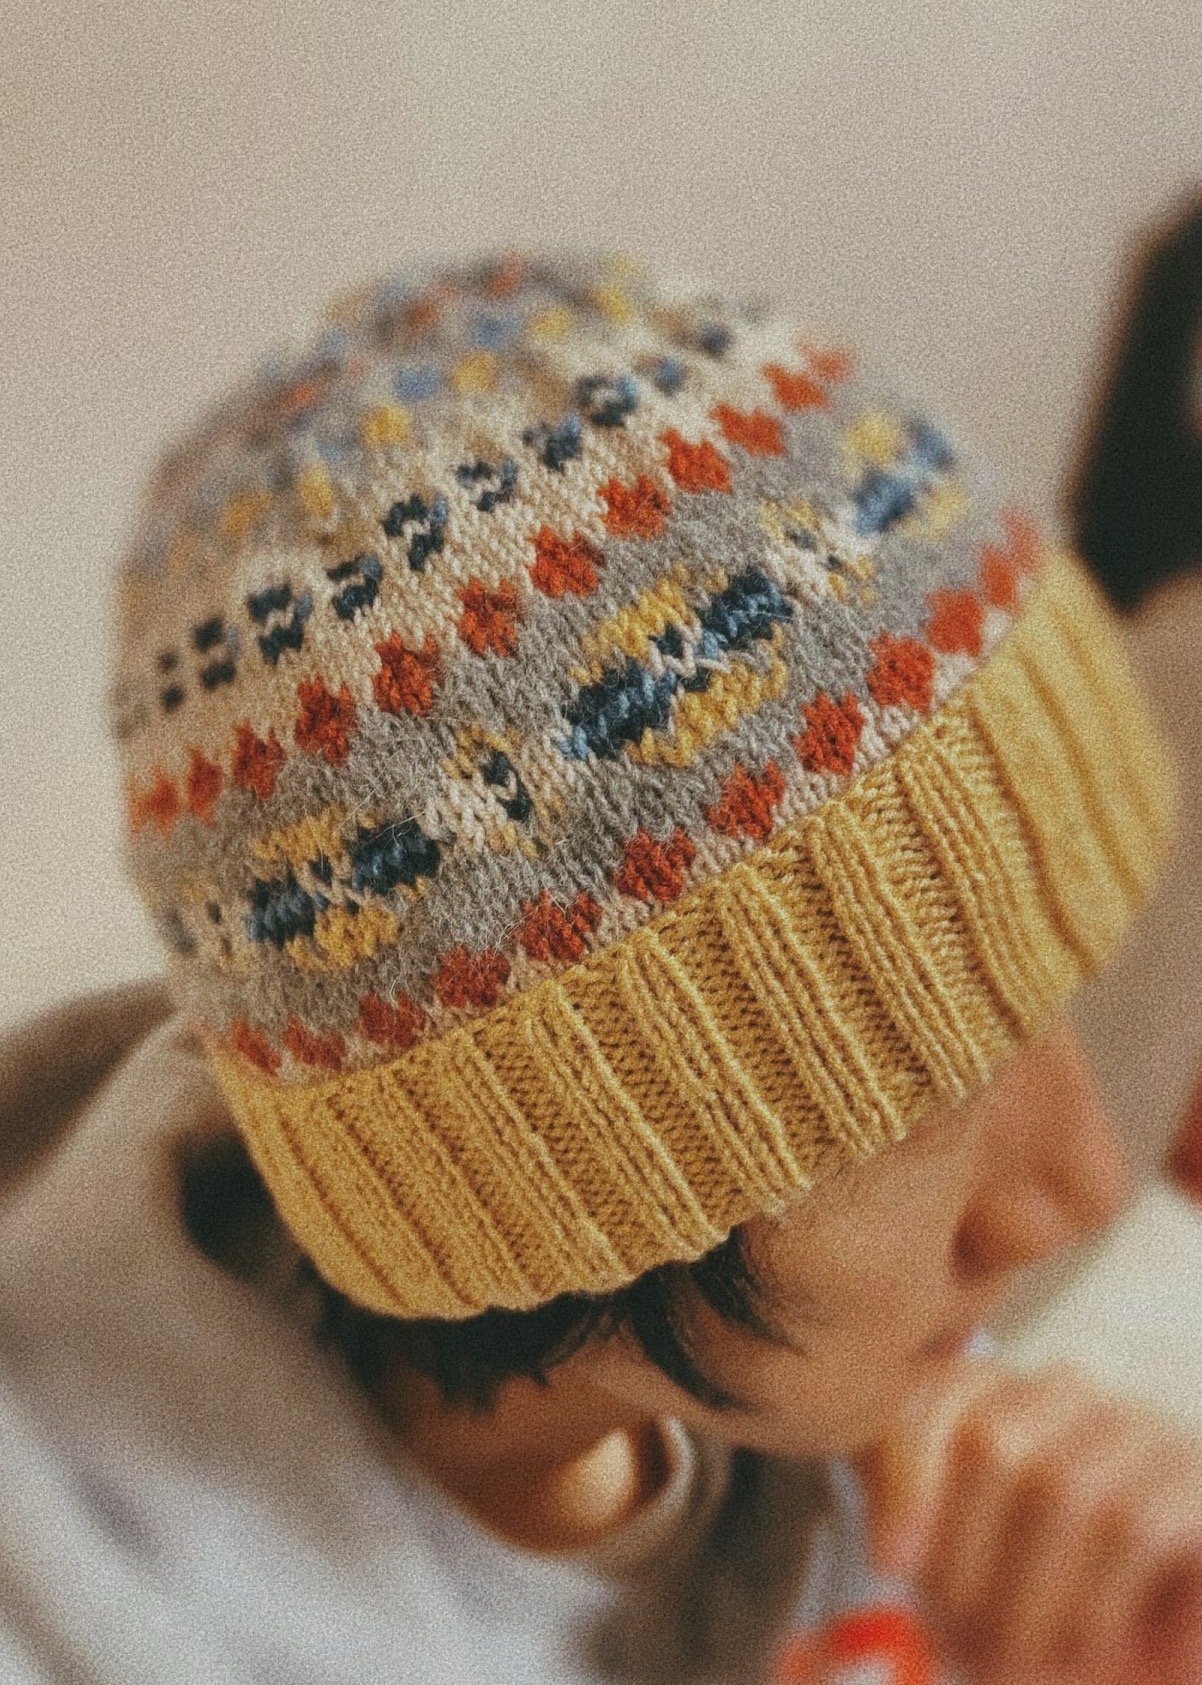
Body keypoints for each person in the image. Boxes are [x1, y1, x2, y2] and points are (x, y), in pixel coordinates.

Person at [0, 252, 1197, 1683]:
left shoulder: (802, 1398)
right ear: (563, 1191)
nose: (1074, 1185)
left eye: (1054, 983)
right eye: (913, 1085)